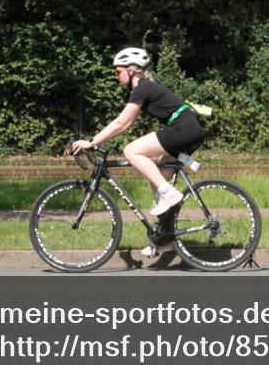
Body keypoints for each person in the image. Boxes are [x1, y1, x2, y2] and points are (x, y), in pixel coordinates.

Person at [71, 47, 204, 255]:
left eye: (118, 71)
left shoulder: (143, 88)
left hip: (184, 129)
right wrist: (95, 140)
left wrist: (92, 142)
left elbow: (121, 123)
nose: (116, 76)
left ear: (131, 70)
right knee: (157, 179)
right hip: (188, 130)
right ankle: (166, 238)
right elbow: (126, 123)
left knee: (132, 150)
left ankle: (169, 193)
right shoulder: (142, 89)